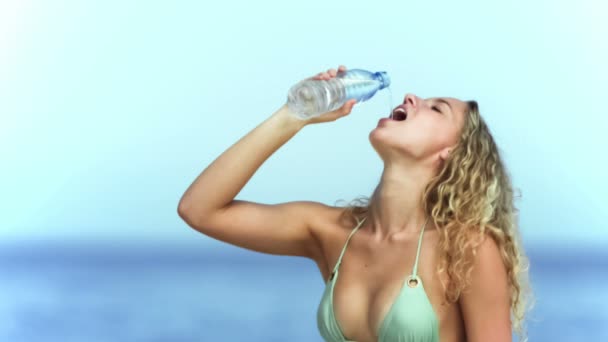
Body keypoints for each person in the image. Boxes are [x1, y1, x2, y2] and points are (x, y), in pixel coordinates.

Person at [177, 65, 531, 342]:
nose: (410, 97)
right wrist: (292, 116)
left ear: (450, 153)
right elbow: (200, 210)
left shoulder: (466, 247)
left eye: (436, 109)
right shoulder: (332, 233)